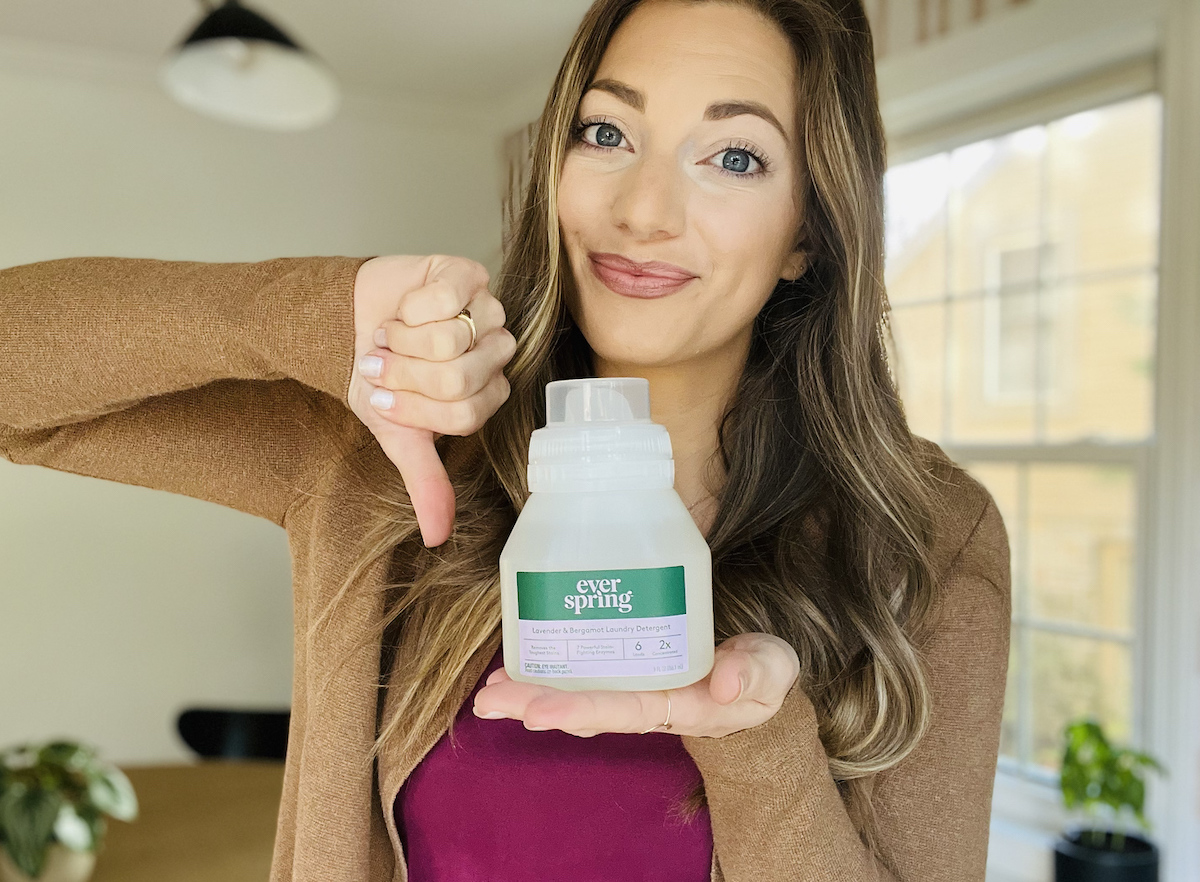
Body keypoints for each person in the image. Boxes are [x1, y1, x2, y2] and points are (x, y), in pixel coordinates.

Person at [0, 0, 1011, 880]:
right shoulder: (398, 446)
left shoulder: (925, 536)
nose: (641, 211)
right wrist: (318, 311)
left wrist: (760, 745)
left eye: (734, 157)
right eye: (606, 133)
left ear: (808, 232)